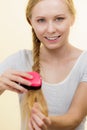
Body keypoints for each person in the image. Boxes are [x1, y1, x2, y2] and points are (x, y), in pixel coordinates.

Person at [0, 0, 87, 130]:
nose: (51, 29)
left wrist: (45, 121)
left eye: (59, 19)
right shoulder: (20, 60)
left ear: (72, 19)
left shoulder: (84, 62)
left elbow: (74, 118)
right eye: (41, 20)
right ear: (31, 22)